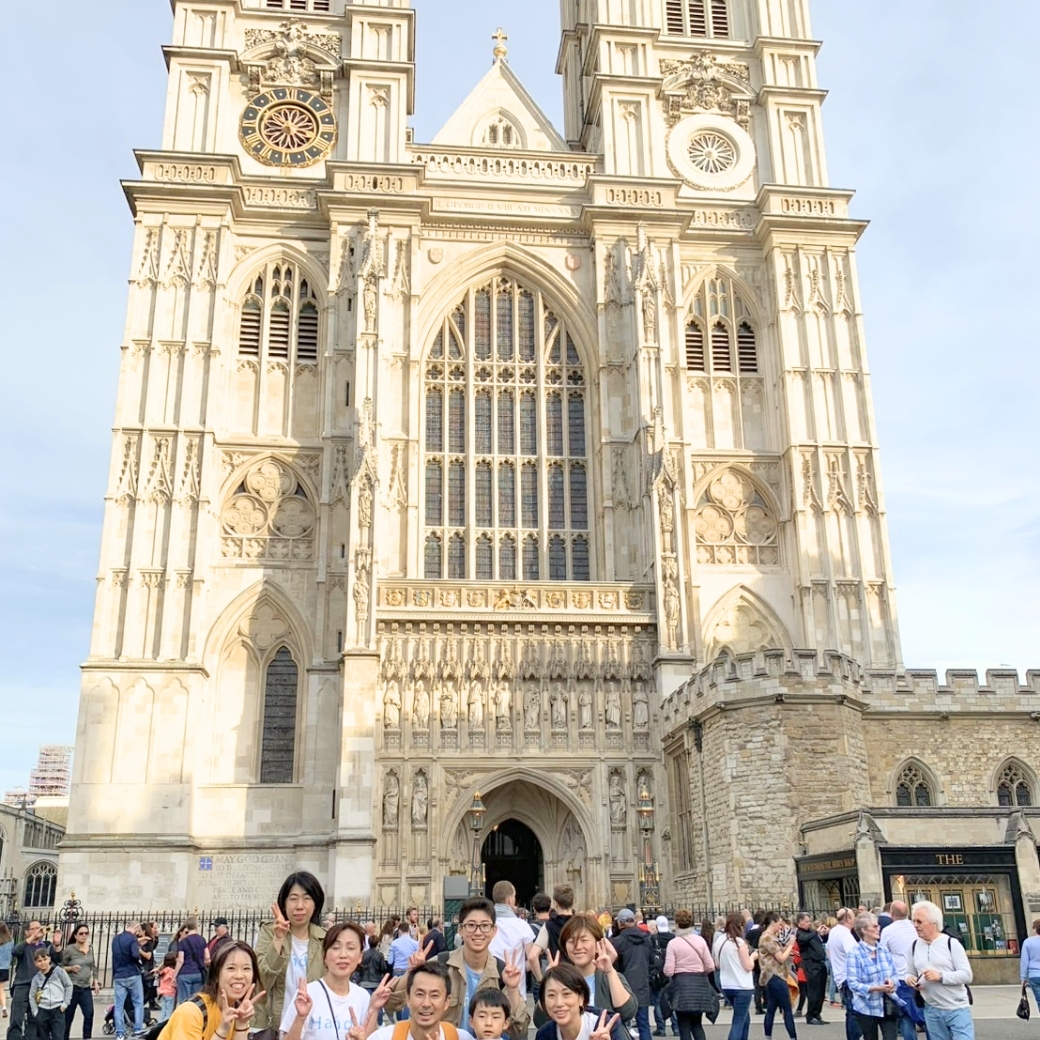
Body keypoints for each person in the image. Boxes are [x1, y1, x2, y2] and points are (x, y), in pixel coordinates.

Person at [383, 897, 529, 1039]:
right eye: (471, 925)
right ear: (460, 930)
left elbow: (519, 1030)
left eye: (485, 926)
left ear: (494, 930)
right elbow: (391, 1004)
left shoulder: (501, 971)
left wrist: (512, 989)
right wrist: (411, 972)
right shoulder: (441, 964)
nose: (478, 932)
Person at [255, 871, 327, 1032]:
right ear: (284, 903)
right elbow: (261, 982)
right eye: (293, 898)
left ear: (316, 904)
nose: (299, 906)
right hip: (275, 1027)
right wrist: (278, 940)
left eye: (307, 898)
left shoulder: (325, 939)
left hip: (313, 1027)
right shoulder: (269, 933)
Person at [283, 923, 373, 1040]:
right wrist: (300, 1018)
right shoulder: (307, 995)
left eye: (351, 948)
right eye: (335, 948)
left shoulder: (362, 997)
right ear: (324, 956)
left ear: (360, 956)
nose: (343, 955)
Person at [162, 942, 265, 1040]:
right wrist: (222, 1031)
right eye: (231, 968)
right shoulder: (191, 1012)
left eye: (246, 968)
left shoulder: (237, 1010)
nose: (239, 976)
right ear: (216, 974)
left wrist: (241, 1025)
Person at [906, 901, 974, 1040]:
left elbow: (967, 975)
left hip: (956, 1007)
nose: (915, 925)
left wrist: (940, 976)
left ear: (934, 923)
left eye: (919, 921)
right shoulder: (913, 946)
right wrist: (910, 980)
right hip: (931, 1008)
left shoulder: (951, 944)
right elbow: (909, 973)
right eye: (914, 921)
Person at [556, 914, 636, 1022]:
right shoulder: (561, 980)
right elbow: (541, 1019)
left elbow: (627, 1012)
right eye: (571, 941)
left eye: (584, 940)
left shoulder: (610, 978)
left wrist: (610, 972)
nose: (578, 947)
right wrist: (549, 981)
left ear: (598, 944)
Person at [368, 961, 475, 1040]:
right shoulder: (384, 1037)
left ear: (447, 1002)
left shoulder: (461, 1038)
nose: (426, 1003)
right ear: (408, 998)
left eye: (434, 995)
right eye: (419, 994)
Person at [535, 963, 629, 1040]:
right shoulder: (544, 1034)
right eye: (551, 995)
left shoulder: (606, 1027)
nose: (559, 1003)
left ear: (581, 998)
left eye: (566, 994)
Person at [662, 909, 716, 1040]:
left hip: (681, 987)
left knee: (684, 1025)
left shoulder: (673, 943)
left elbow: (668, 971)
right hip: (699, 986)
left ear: (677, 923)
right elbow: (710, 966)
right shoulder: (700, 941)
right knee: (697, 1024)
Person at [846, 913, 899, 1040]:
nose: (878, 929)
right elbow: (853, 983)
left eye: (878, 926)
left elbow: (894, 974)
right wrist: (875, 988)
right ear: (864, 930)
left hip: (887, 1003)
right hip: (866, 1006)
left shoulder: (883, 949)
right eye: (874, 926)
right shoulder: (854, 953)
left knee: (891, 1037)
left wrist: (892, 981)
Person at [878, 902, 922, 1040]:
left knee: (905, 1016)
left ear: (891, 914)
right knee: (925, 1010)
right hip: (920, 974)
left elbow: (883, 954)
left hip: (901, 976)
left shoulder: (888, 931)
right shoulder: (916, 927)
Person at [610, 909, 654, 1040]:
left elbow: (614, 966)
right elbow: (652, 962)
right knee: (644, 1024)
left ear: (620, 923)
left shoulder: (618, 942)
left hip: (623, 987)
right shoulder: (646, 940)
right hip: (642, 985)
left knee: (621, 1026)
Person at [10, 921, 57, 1040]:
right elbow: (15, 951)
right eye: (34, 928)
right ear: (27, 932)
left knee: (34, 1020)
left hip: (38, 987)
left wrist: (57, 944)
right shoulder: (24, 945)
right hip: (22, 985)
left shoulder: (45, 946)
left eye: (39, 928)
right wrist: (32, 938)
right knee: (16, 1019)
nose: (38, 930)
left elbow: (58, 960)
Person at [488, 883, 534, 1001]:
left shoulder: (486, 925)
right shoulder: (522, 926)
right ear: (509, 900)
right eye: (514, 896)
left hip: (490, 989)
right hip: (516, 992)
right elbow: (532, 959)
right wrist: (519, 968)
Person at [757, 913, 797, 1040]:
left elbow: (778, 952)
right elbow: (781, 958)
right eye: (779, 924)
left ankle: (768, 1036)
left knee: (771, 1008)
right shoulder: (769, 938)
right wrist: (791, 945)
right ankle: (793, 1037)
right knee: (787, 1008)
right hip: (776, 975)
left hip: (770, 976)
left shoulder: (767, 937)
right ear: (773, 923)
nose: (780, 927)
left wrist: (786, 945)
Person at [716, 912, 755, 1040]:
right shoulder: (739, 943)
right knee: (738, 1021)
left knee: (745, 1018)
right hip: (742, 985)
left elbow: (717, 964)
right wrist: (753, 957)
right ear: (741, 926)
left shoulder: (720, 940)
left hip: (727, 984)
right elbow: (748, 966)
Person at [828, 909, 862, 1040]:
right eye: (853, 917)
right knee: (855, 1013)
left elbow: (828, 951)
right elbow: (853, 955)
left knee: (850, 1013)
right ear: (848, 919)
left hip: (841, 976)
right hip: (849, 977)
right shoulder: (845, 934)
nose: (855, 919)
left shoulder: (834, 931)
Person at [62, 923, 100, 1040]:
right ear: (76, 935)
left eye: (86, 933)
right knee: (68, 1016)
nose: (84, 936)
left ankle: (87, 1037)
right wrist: (71, 968)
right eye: (81, 933)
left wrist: (96, 980)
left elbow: (93, 966)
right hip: (73, 986)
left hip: (85, 987)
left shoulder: (90, 948)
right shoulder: (69, 949)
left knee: (89, 1013)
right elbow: (60, 967)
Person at [29, 948, 73, 1040]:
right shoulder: (36, 979)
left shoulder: (59, 972)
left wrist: (65, 1003)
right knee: (43, 1037)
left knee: (58, 1036)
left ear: (49, 959)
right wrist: (36, 1012)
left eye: (44, 959)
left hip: (57, 1009)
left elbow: (69, 986)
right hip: (42, 1010)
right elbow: (32, 996)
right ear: (35, 963)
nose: (43, 963)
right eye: (39, 961)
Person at [112, 922, 145, 1040]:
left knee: (118, 1005)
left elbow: (114, 957)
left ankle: (120, 1033)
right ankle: (138, 1029)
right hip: (132, 973)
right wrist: (139, 962)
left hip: (119, 975)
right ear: (135, 928)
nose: (138, 933)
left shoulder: (115, 939)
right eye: (138, 930)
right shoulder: (132, 939)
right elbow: (135, 955)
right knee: (138, 1002)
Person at [794, 913, 827, 1026]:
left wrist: (822, 933)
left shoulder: (811, 932)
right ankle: (810, 1015)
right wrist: (816, 932)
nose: (809, 923)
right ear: (800, 922)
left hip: (820, 963)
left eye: (809, 921)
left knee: (821, 992)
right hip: (811, 964)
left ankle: (817, 1013)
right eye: (807, 921)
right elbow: (803, 940)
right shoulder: (800, 933)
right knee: (814, 991)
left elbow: (821, 940)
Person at [651, 917, 677, 1038]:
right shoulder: (673, 938)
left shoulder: (653, 938)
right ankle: (676, 1027)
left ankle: (661, 1028)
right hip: (672, 973)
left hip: (658, 974)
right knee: (672, 1000)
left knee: (657, 1002)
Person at [175, 921, 208, 1009]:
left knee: (184, 1001)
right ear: (196, 926)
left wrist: (174, 975)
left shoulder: (183, 941)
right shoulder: (202, 939)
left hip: (185, 973)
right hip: (198, 972)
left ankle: (185, 1015)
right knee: (196, 1000)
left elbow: (180, 960)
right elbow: (207, 957)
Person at [1021, 918, 1040, 1015]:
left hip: (1034, 975)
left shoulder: (1028, 942)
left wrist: (1023, 978)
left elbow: (1024, 962)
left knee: (1039, 1001)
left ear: (1035, 929)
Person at [157, 953, 179, 1023]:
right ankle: (165, 1024)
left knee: (163, 1011)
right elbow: (174, 983)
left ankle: (159, 1024)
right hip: (170, 993)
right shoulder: (172, 972)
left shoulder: (163, 970)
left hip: (162, 993)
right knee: (169, 1012)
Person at [0, 921, 13, 1018]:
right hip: (5, 967)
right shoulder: (10, 941)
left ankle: (3, 1006)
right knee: (1, 988)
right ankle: (4, 1006)